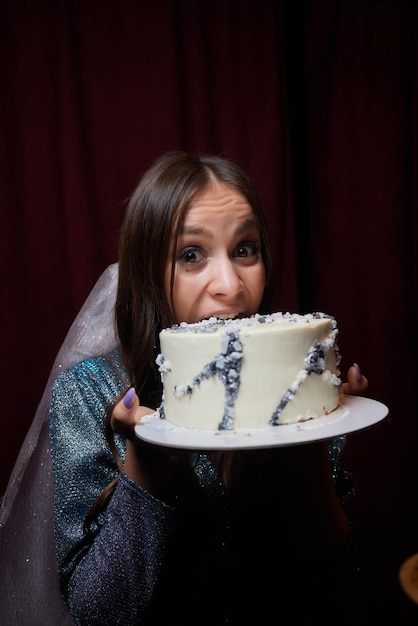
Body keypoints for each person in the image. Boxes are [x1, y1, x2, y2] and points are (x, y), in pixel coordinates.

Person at [48, 151, 369, 625]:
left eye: (245, 250)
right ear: (146, 270)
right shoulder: (90, 391)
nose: (229, 284)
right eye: (191, 254)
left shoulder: (297, 381)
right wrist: (147, 458)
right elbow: (99, 615)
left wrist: (307, 453)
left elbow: (341, 593)